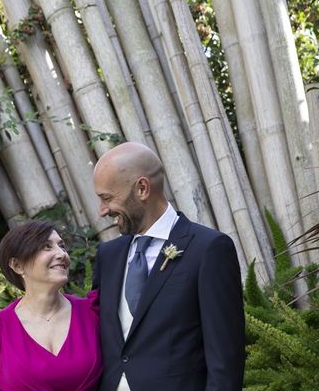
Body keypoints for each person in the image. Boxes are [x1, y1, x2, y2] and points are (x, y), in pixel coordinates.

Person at [92, 142, 246, 391]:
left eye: (107, 198)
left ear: (142, 188)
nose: (102, 211)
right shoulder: (108, 256)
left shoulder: (208, 249)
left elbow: (225, 360)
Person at [0, 221, 102, 390]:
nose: (61, 254)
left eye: (62, 246)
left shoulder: (93, 311)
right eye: (46, 247)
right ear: (17, 265)